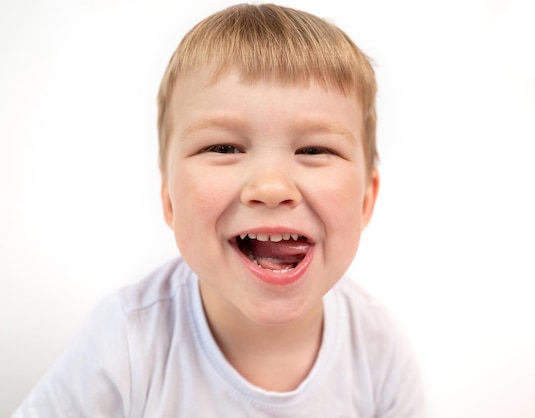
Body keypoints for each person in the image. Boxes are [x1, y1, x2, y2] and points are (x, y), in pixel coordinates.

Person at [12, 3, 422, 417]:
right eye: (223, 148)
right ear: (169, 198)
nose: (271, 187)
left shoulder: (379, 353)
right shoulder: (127, 342)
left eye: (314, 149)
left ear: (366, 200)